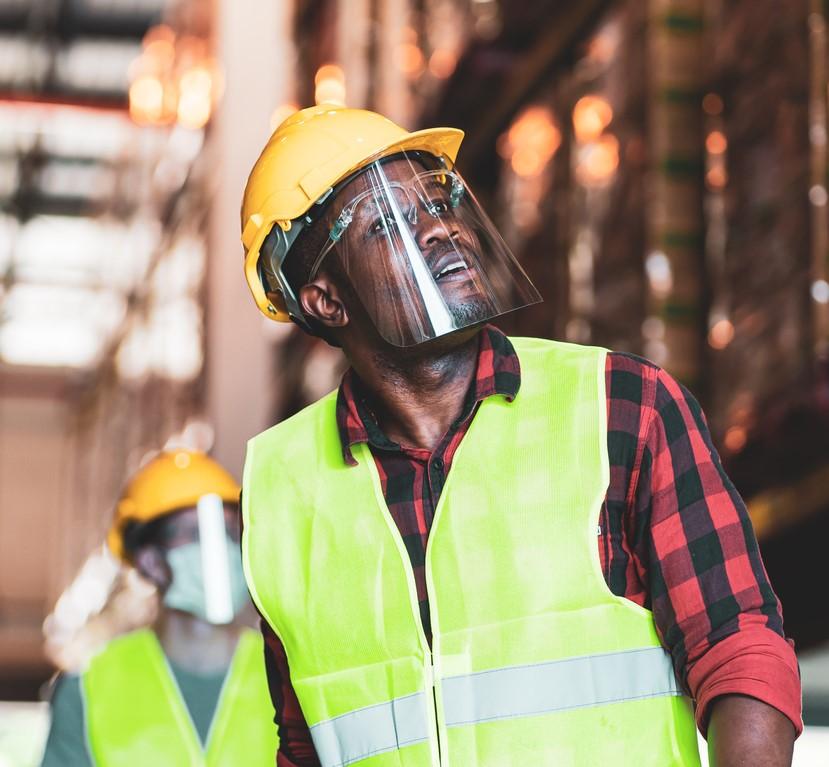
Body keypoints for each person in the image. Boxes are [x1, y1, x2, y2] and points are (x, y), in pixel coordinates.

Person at [238, 105, 801, 767]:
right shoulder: (281, 487)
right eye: (390, 221)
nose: (440, 230)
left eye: (440, 201)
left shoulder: (621, 406)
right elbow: (304, 744)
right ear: (325, 301)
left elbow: (738, 648)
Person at [41, 449, 278, 766]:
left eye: (229, 531)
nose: (219, 548)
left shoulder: (287, 676)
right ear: (150, 561)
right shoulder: (87, 690)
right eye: (196, 533)